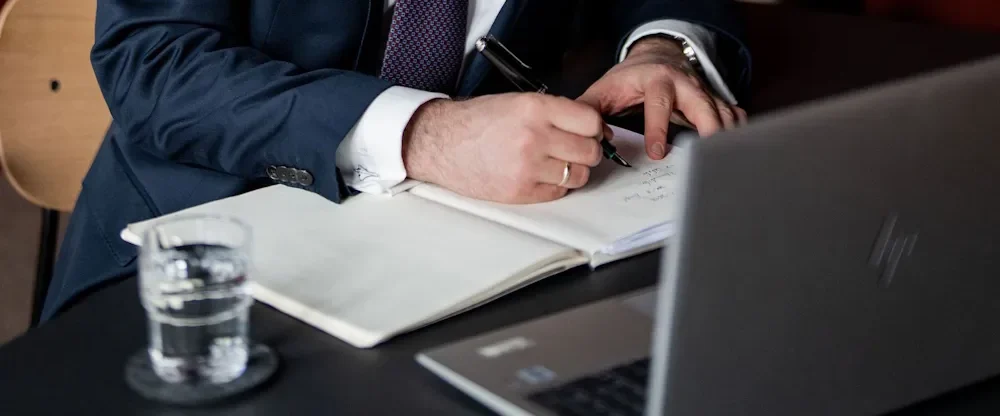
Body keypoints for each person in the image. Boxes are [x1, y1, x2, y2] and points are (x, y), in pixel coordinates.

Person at [39, 0, 752, 320]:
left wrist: (664, 47)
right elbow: (154, 62)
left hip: (473, 261)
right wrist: (425, 136)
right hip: (204, 261)